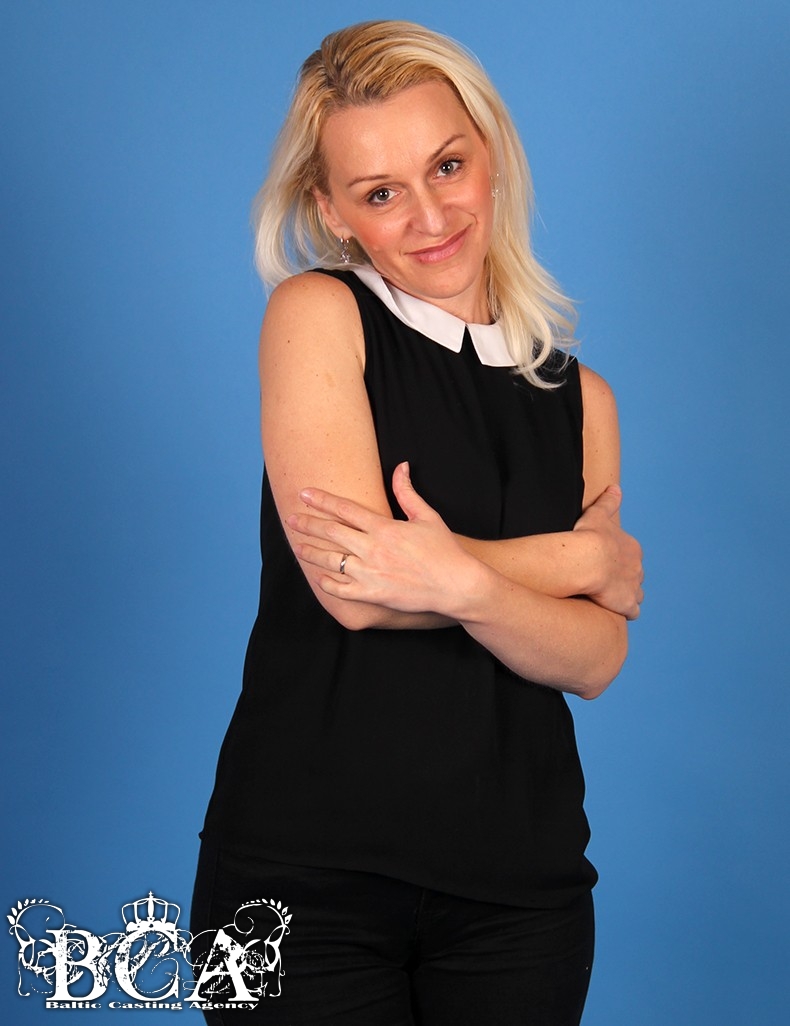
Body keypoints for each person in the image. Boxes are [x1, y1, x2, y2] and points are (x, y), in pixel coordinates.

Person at [191, 19, 643, 1026]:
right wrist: (574, 562)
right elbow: (355, 587)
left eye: (447, 166)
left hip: (522, 893)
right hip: (298, 885)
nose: (430, 216)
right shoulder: (317, 313)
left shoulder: (585, 402)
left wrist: (457, 578)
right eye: (379, 193)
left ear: (491, 154)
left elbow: (595, 658)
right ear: (332, 211)